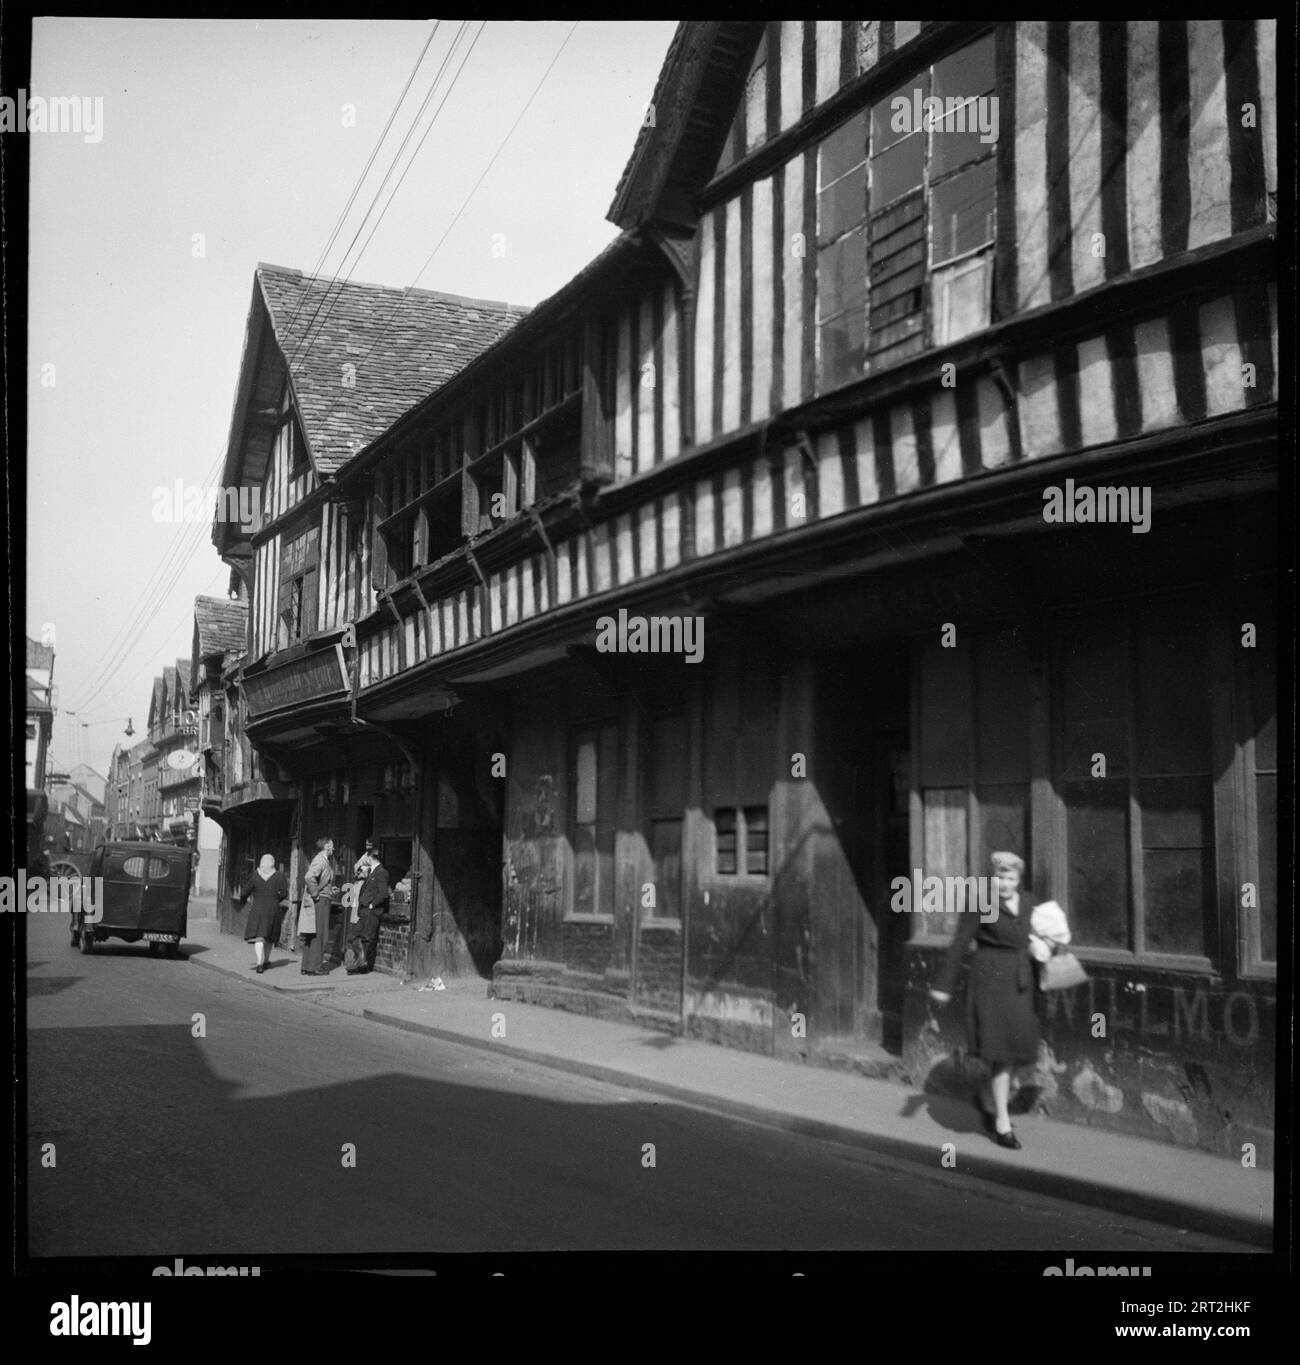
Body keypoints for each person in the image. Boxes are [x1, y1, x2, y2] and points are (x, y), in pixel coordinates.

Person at [929, 851, 1040, 1150]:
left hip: (1020, 981)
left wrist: (1042, 947)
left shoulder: (1029, 902)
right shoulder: (983, 902)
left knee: (1021, 1048)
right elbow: (960, 943)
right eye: (1000, 877)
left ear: (1019, 879)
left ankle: (991, 1097)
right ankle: (1002, 1122)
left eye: (1010, 878)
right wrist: (943, 984)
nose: (1004, 884)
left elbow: (1035, 936)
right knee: (1002, 1052)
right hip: (990, 982)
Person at [238, 854, 289, 974]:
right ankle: (266, 960)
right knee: (269, 936)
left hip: (257, 909)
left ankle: (259, 962)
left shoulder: (255, 876)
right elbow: (284, 893)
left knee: (259, 937)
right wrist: (276, 899)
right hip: (273, 909)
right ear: (273, 863)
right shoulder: (279, 876)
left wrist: (243, 901)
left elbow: (245, 891)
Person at [345, 854, 389, 974]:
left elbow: (383, 893)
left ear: (370, 859)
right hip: (364, 911)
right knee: (353, 937)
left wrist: (372, 905)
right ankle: (361, 961)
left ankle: (362, 966)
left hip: (371, 911)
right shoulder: (372, 872)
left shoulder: (381, 872)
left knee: (367, 938)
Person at [300, 837, 336, 976]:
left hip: (322, 899)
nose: (333, 848)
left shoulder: (323, 860)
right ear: (326, 846)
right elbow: (309, 877)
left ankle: (307, 965)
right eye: (332, 845)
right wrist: (316, 894)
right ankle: (314, 967)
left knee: (313, 933)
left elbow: (320, 880)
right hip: (320, 902)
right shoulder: (321, 860)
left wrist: (330, 889)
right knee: (320, 934)